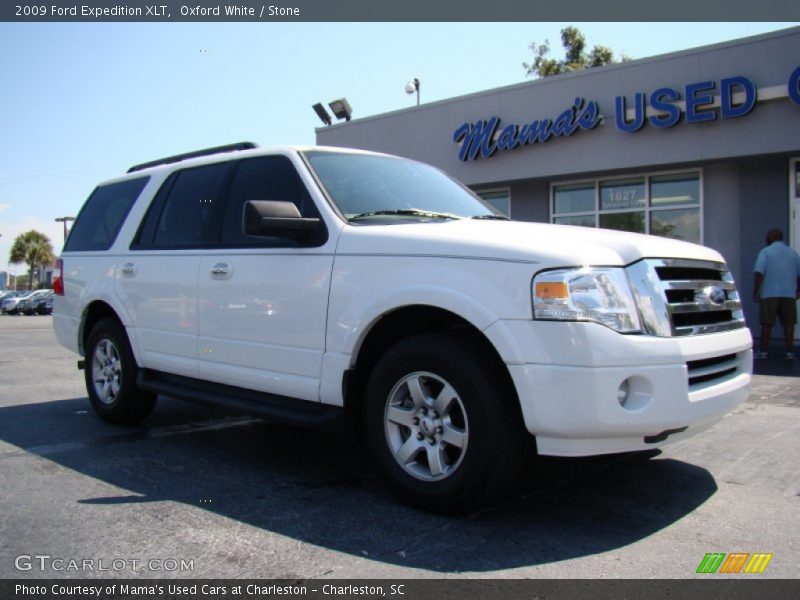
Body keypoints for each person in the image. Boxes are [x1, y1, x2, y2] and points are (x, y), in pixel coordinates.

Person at [753, 228, 800, 359]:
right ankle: (789, 352)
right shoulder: (793, 253)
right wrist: (798, 290)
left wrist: (756, 292)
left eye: (768, 236)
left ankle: (763, 352)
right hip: (788, 293)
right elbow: (799, 275)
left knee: (766, 324)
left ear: (772, 237)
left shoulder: (765, 252)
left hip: (769, 293)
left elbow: (759, 273)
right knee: (789, 325)